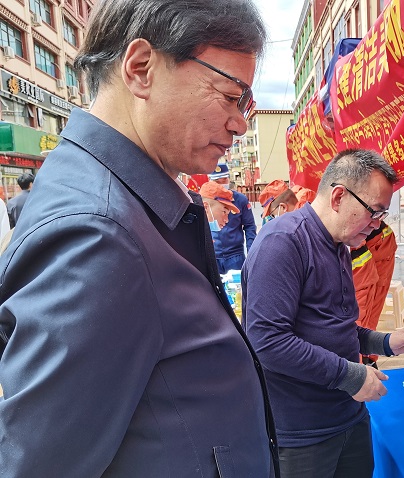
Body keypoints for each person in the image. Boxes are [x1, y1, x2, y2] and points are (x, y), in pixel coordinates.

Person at [0, 1, 280, 476]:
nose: (239, 123)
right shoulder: (98, 235)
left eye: (246, 105)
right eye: (231, 96)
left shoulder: (130, 198)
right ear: (141, 68)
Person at [242, 148, 404, 478]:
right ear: (339, 196)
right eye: (373, 212)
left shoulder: (340, 244)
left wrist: (385, 342)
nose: (376, 225)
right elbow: (267, 342)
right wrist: (351, 375)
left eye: (382, 215)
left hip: (349, 415)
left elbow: (336, 327)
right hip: (303, 434)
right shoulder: (283, 243)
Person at [351, 221, 397, 368]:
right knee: (361, 323)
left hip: (367, 259)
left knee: (359, 324)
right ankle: (366, 362)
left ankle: (365, 364)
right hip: (366, 257)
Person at [208, 164, 257, 273]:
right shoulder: (205, 201)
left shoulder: (240, 200)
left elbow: (249, 227)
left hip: (235, 256)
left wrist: (252, 253)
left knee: (238, 283)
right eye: (217, 182)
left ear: (229, 179)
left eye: (224, 180)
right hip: (212, 256)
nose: (221, 185)